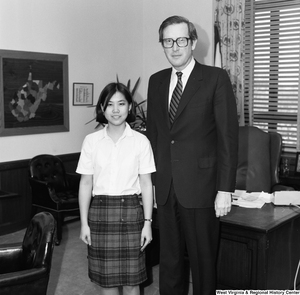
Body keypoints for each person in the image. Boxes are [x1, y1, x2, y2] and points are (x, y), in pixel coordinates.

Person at [146, 15, 239, 295]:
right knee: (170, 261)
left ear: (194, 42)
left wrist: (225, 189)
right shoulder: (156, 81)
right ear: (162, 44)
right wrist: (150, 182)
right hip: (165, 187)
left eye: (181, 40)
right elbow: (155, 136)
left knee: (202, 262)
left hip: (202, 188)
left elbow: (228, 139)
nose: (175, 47)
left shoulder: (215, 78)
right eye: (168, 41)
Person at [76, 82, 156, 295]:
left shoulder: (141, 141)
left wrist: (147, 223)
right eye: (110, 104)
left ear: (129, 107)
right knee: (107, 282)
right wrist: (84, 223)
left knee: (132, 282)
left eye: (121, 103)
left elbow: (146, 184)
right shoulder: (91, 141)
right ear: (102, 108)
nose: (115, 110)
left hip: (131, 214)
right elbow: (85, 184)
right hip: (100, 214)